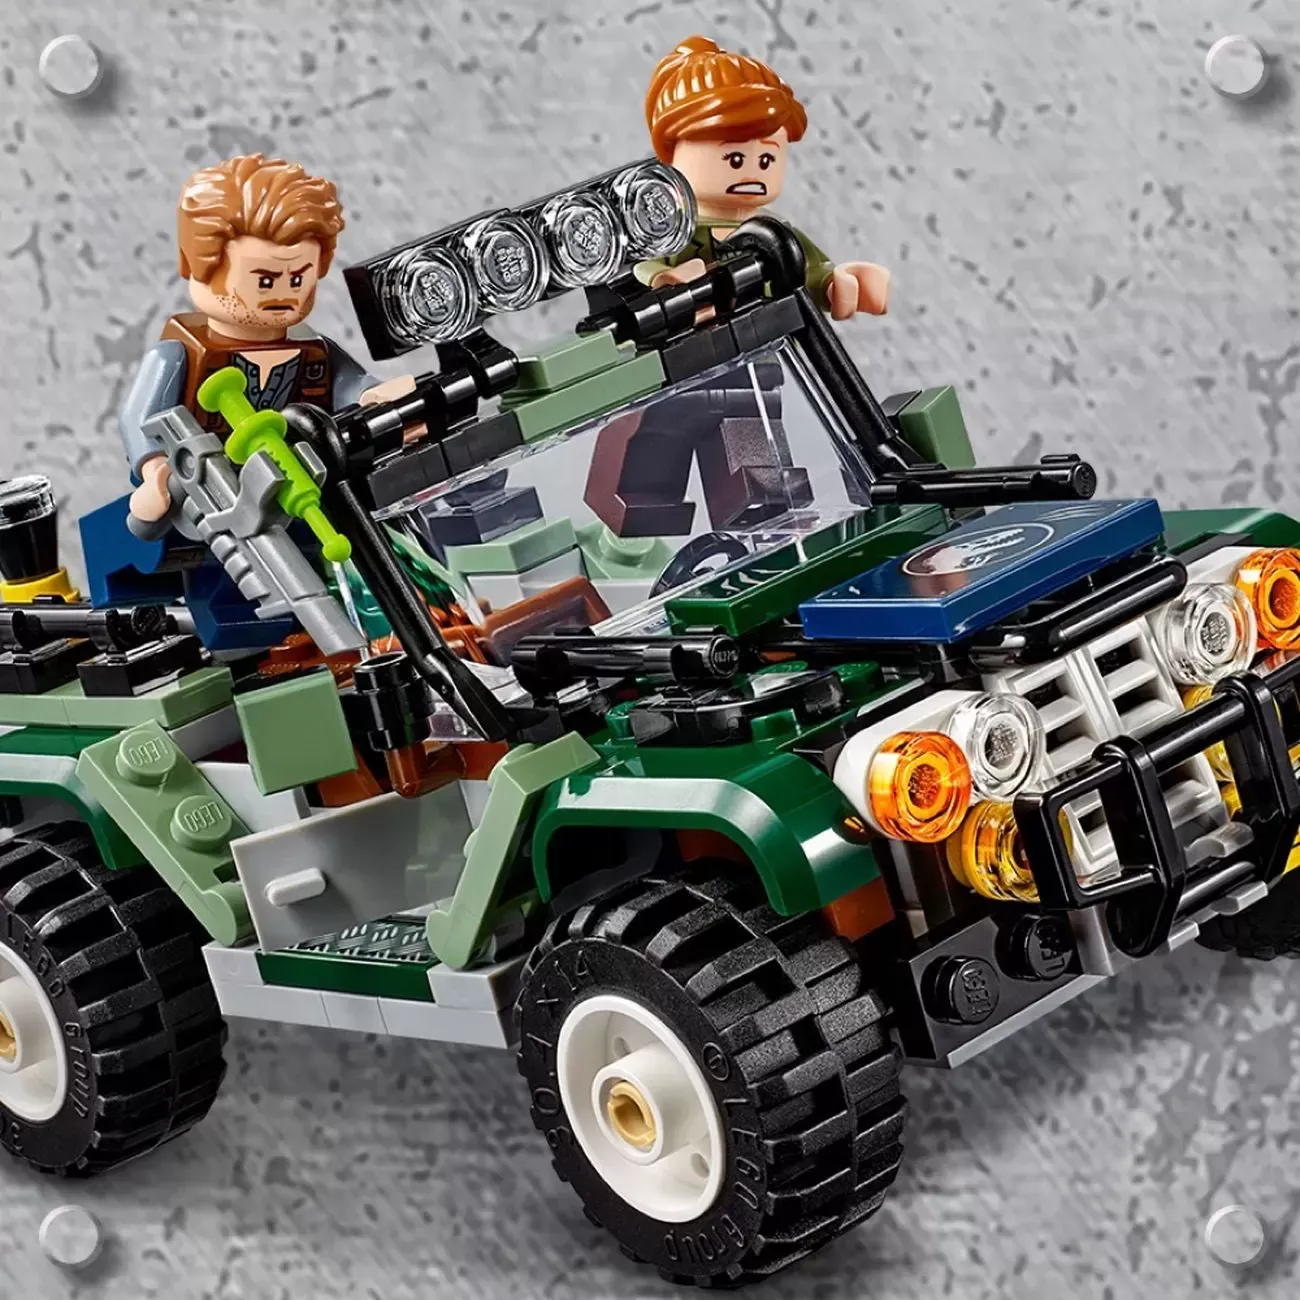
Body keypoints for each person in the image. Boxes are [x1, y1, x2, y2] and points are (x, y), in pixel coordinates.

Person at [122, 153, 412, 529]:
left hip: (303, 492)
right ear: (194, 264)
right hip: (207, 501)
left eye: (298, 279)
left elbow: (350, 384)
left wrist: (374, 395)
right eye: (264, 280)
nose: (283, 294)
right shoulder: (178, 356)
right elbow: (139, 418)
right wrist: (155, 472)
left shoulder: (314, 351)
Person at [637, 35, 891, 319]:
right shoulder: (673, 232)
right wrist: (666, 280)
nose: (752, 173)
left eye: (767, 159)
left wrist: (839, 284)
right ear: (673, 152)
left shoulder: (773, 235)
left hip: (771, 337)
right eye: (734, 159)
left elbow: (809, 272)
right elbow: (640, 267)